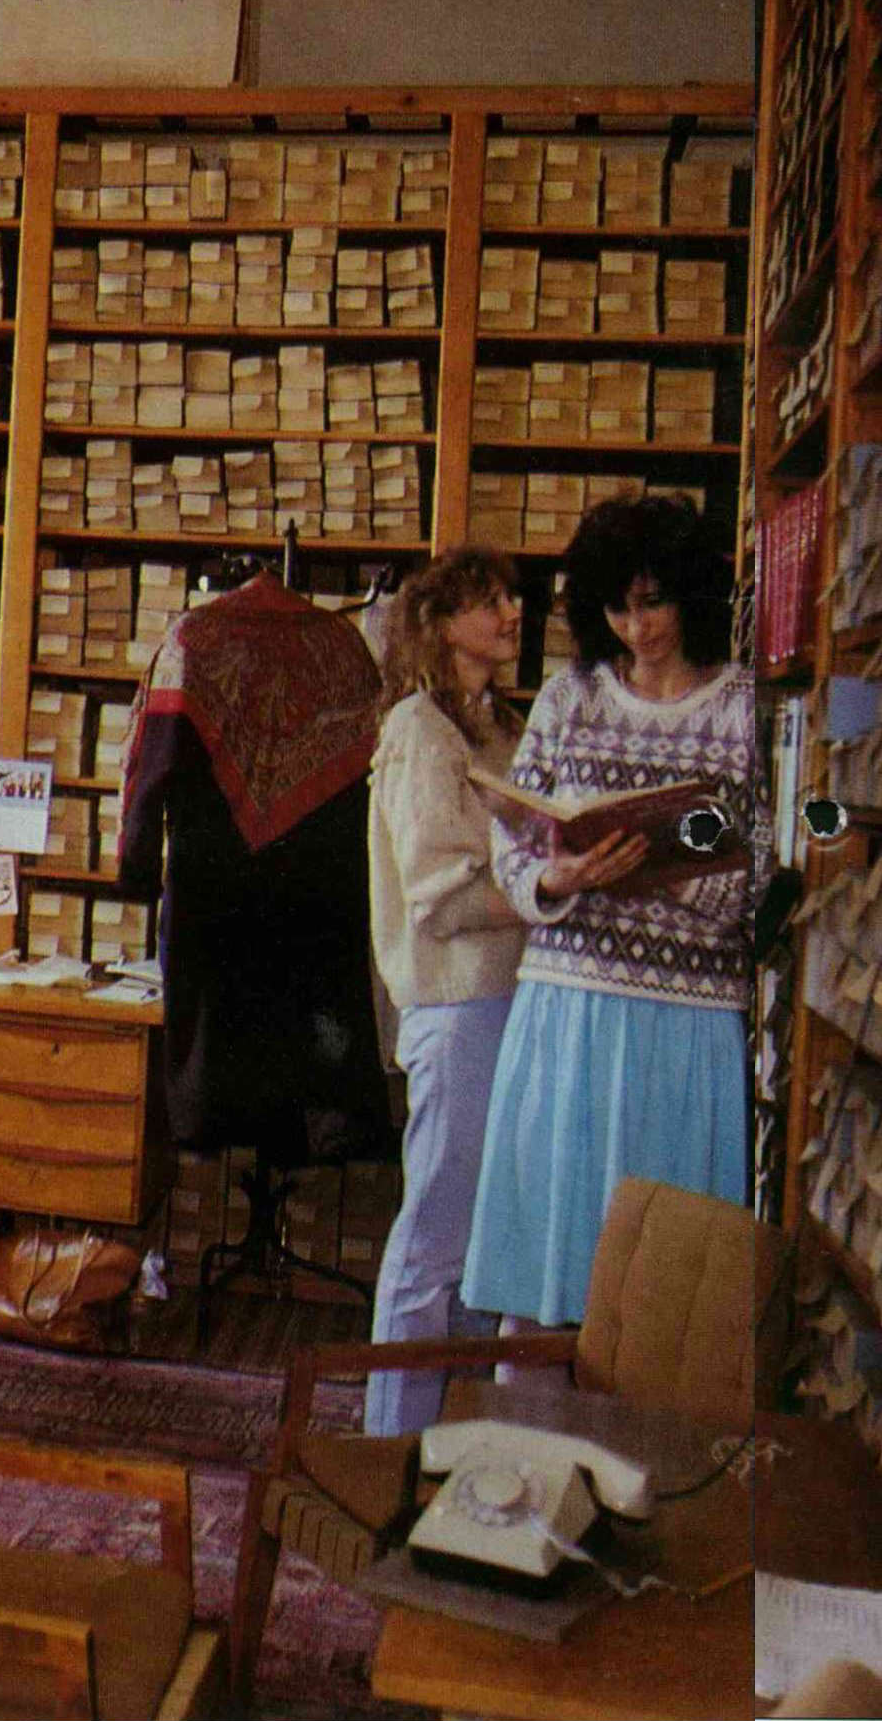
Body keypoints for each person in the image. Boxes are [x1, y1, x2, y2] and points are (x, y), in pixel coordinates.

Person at [460, 495, 762, 1329]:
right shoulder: (570, 697)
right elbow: (514, 841)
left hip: (689, 1016)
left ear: (691, 593)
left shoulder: (744, 707)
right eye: (618, 609)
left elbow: (773, 861)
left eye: (654, 602)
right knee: (550, 1257)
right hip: (570, 1006)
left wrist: (664, 873)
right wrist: (560, 878)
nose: (638, 627)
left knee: (665, 1288)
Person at [362, 548, 528, 1432]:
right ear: (440, 624)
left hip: (510, 1000)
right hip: (457, 1006)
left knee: (480, 1244)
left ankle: (448, 1439)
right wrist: (555, 889)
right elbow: (442, 897)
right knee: (434, 1232)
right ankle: (390, 1438)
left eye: (513, 598)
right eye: (489, 601)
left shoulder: (501, 727)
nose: (511, 613)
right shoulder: (419, 730)